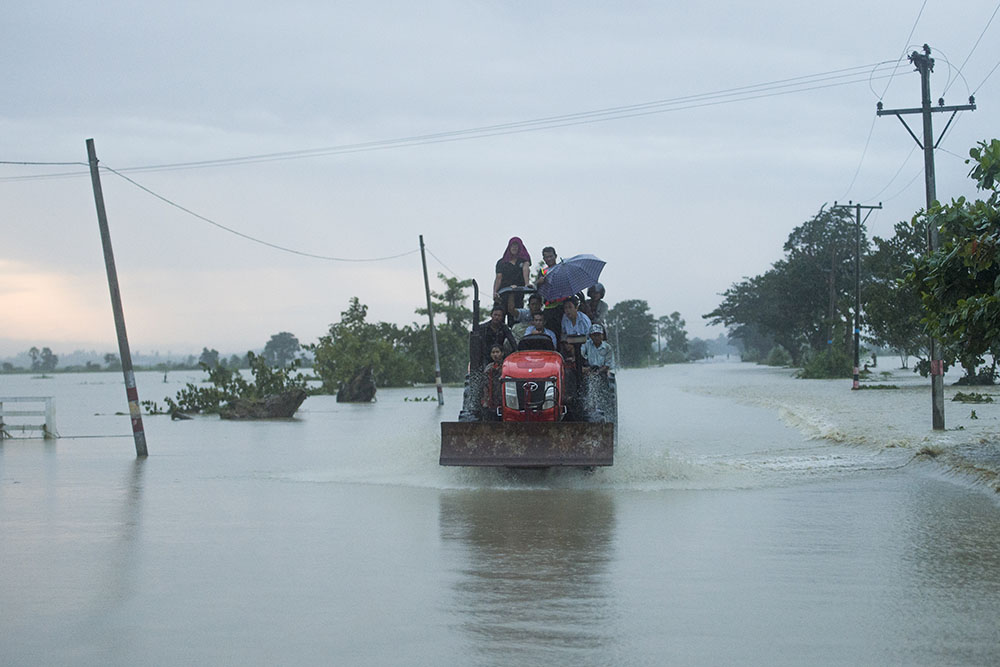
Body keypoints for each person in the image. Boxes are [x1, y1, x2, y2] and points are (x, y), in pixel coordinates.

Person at [493, 237, 531, 324]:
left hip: (517, 294)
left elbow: (526, 269)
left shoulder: (523, 261)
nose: (514, 248)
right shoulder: (502, 262)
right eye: (512, 246)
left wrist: (527, 284)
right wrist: (495, 292)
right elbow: (498, 278)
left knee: (515, 320)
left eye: (516, 246)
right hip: (503, 293)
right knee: (499, 319)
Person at [534, 246, 566, 333]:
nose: (549, 259)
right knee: (550, 331)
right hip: (549, 307)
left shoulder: (561, 267)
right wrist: (539, 282)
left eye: (551, 256)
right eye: (546, 257)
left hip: (562, 306)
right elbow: (538, 290)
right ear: (544, 259)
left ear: (555, 256)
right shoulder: (543, 271)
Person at [482, 344, 505, 417]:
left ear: (502, 353)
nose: (495, 354)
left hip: (503, 400)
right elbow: (485, 385)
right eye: (493, 352)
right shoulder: (488, 368)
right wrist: (485, 401)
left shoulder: (506, 366)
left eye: (497, 352)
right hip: (491, 400)